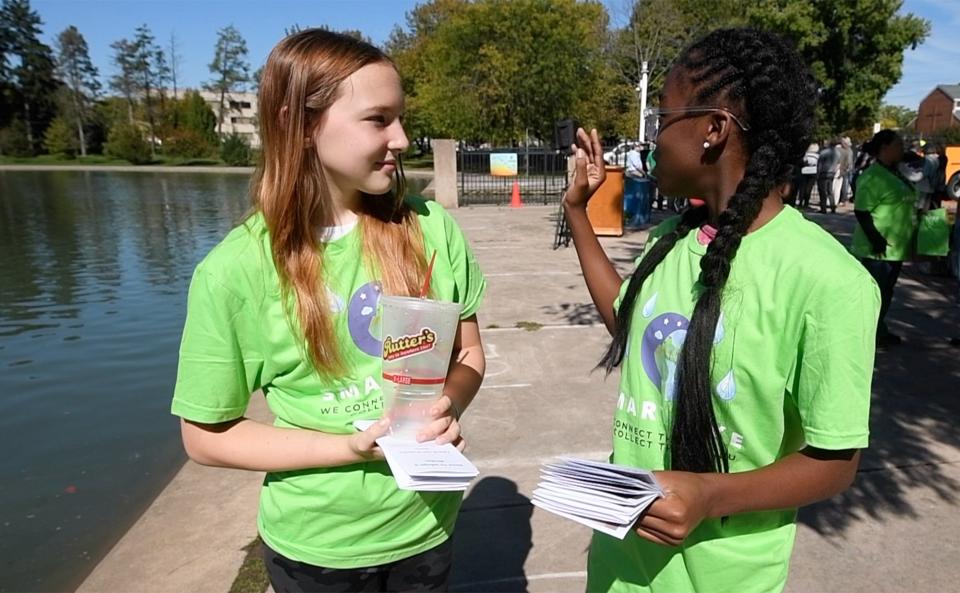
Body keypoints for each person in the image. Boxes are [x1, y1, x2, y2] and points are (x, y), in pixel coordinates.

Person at [561, 28, 879, 593]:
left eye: (663, 117)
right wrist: (578, 214)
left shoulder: (830, 280)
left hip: (725, 579)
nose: (652, 137)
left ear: (713, 129)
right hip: (620, 569)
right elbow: (629, 324)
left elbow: (835, 460)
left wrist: (708, 495)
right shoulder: (670, 238)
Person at [170, 29, 487, 593]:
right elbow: (205, 436)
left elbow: (469, 354)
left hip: (427, 529)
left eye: (401, 117)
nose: (402, 138)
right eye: (378, 119)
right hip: (317, 550)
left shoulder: (431, 230)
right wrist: (348, 447)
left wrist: (445, 404)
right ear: (302, 123)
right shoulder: (233, 271)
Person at [851, 130, 918, 348]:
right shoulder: (872, 177)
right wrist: (876, 239)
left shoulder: (895, 173)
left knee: (886, 293)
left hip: (895, 247)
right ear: (884, 148)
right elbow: (861, 211)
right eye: (898, 145)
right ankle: (867, 335)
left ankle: (878, 330)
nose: (902, 149)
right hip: (877, 250)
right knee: (874, 295)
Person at [817, 138, 839, 213]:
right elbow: (838, 163)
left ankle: (823, 208)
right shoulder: (837, 153)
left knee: (822, 191)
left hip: (824, 172)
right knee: (830, 190)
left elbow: (819, 164)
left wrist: (818, 174)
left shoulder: (824, 152)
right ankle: (833, 207)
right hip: (832, 173)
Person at [795, 142, 819, 209]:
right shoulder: (817, 156)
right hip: (813, 172)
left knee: (802, 188)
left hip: (804, 171)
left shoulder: (805, 154)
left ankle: (800, 202)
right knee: (809, 188)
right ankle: (806, 203)